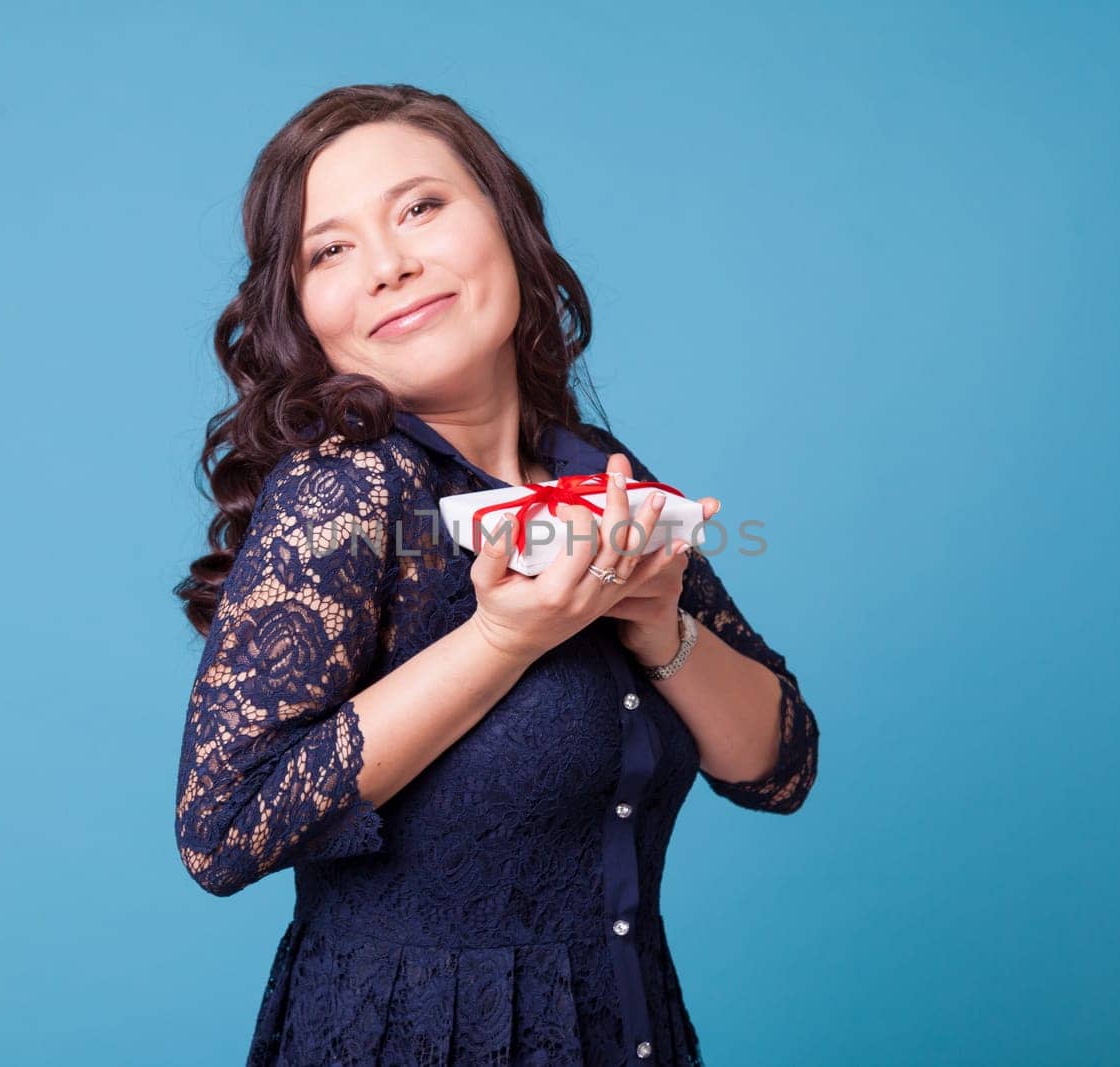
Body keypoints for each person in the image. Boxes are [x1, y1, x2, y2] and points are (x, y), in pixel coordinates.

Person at [172, 83, 820, 1067]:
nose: (389, 265)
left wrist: (658, 622)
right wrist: (503, 637)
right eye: (329, 249)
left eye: (420, 207)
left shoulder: (592, 467)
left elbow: (779, 767)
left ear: (509, 224)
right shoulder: (346, 489)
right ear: (301, 308)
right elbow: (222, 830)